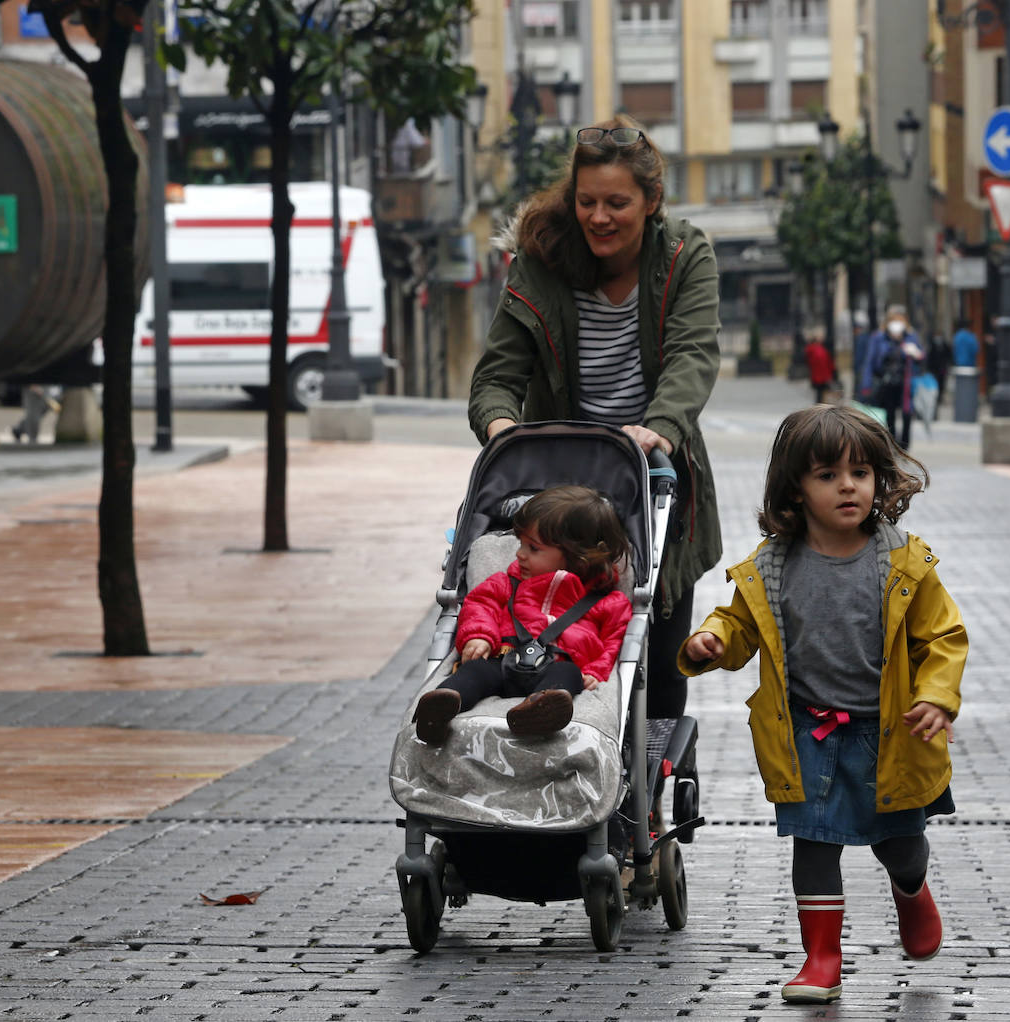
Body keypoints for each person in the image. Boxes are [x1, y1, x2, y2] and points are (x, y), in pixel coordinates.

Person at [679, 405, 968, 1004]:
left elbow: (941, 637)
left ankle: (911, 891)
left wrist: (937, 696)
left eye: (860, 473)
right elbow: (740, 621)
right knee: (813, 841)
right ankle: (821, 958)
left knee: (900, 844)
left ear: (879, 482)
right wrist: (713, 640)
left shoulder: (904, 562)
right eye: (827, 475)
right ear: (795, 489)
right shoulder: (773, 565)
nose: (847, 486)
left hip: (888, 733)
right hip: (806, 731)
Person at [467, 114, 722, 720]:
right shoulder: (540, 261)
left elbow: (693, 353)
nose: (599, 217)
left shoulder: (686, 255)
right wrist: (505, 433)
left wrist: (659, 426)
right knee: (542, 630)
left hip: (654, 476)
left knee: (658, 655)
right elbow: (497, 377)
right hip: (563, 484)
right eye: (586, 202)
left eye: (617, 203)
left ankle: (649, 793)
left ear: (652, 201)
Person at [412, 485, 633, 741]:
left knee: (567, 676)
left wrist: (596, 670)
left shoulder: (606, 601)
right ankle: (442, 705)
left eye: (533, 548)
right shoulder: (506, 582)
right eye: (521, 544)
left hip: (560, 665)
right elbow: (479, 604)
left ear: (577, 556)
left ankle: (537, 712)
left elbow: (613, 642)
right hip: (503, 658)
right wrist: (480, 636)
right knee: (474, 672)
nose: (520, 554)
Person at [859, 307, 924, 450]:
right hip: (886, 383)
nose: (897, 324)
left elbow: (921, 359)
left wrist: (915, 353)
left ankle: (905, 446)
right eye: (894, 320)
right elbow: (870, 362)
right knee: (890, 414)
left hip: (906, 384)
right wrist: (866, 385)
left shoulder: (911, 337)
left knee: (907, 414)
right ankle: (893, 444)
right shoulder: (878, 337)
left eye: (900, 320)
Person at [804, 333, 835, 404]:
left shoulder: (810, 350)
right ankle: (821, 406)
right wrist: (830, 374)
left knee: (819, 392)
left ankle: (819, 405)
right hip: (823, 376)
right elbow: (826, 362)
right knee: (823, 392)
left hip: (816, 375)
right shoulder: (820, 350)